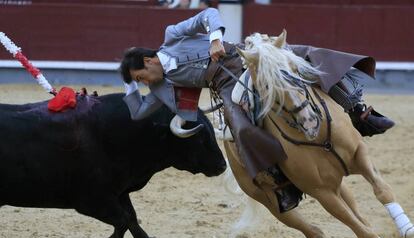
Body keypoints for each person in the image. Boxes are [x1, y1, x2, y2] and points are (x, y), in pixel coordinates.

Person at [119, 8, 394, 212]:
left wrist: (216, 39)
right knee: (240, 129)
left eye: (140, 77)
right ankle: (281, 181)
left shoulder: (172, 36)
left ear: (148, 60)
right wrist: (128, 83)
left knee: (307, 56)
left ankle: (359, 112)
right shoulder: (159, 87)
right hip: (225, 85)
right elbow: (139, 112)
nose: (144, 83)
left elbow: (209, 14)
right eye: (139, 82)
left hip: (244, 55)